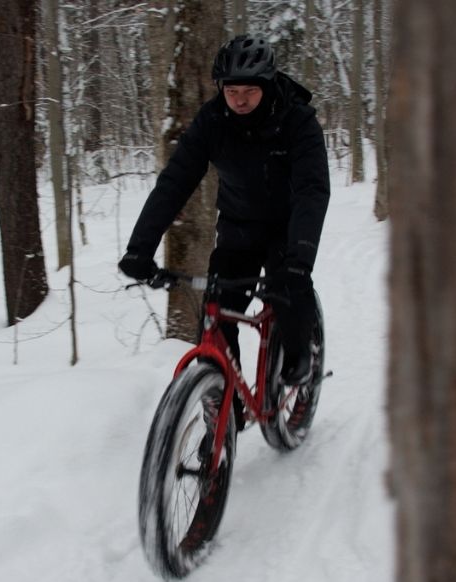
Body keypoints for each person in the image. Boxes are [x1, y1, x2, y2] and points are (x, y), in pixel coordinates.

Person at [118, 34, 330, 386]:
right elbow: (174, 183)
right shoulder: (213, 120)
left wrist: (301, 257)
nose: (240, 100)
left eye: (249, 91)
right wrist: (139, 250)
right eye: (231, 92)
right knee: (216, 319)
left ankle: (300, 354)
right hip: (238, 228)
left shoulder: (297, 120)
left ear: (267, 84)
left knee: (290, 294)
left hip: (287, 229)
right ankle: (222, 398)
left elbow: (312, 190)